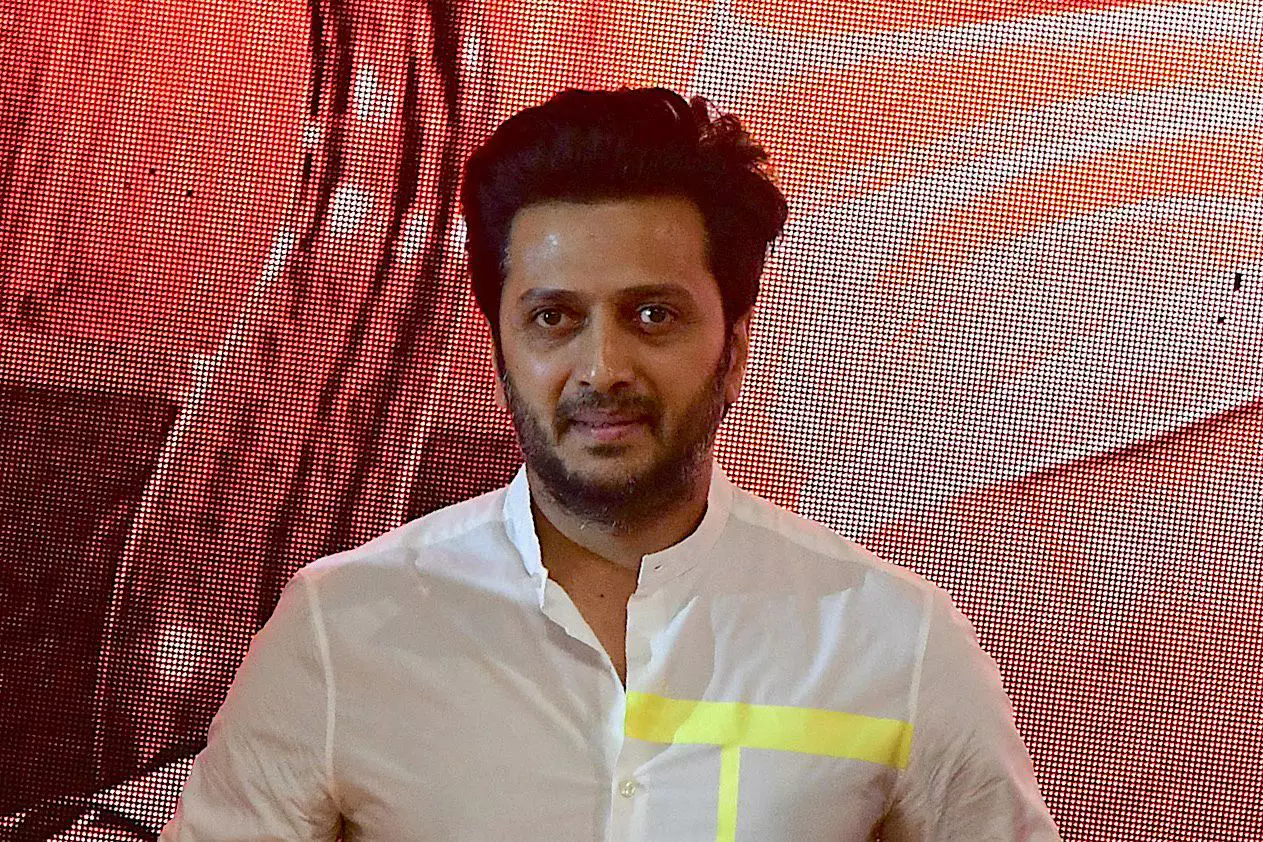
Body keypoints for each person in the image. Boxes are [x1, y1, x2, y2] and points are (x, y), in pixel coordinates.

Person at [159, 86, 1062, 841]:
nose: (601, 369)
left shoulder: (888, 638)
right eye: (553, 318)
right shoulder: (343, 627)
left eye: (652, 315)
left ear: (735, 345)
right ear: (500, 345)